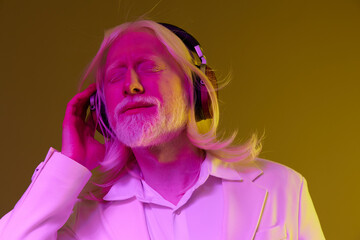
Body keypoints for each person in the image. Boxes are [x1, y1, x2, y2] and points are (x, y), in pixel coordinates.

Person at [0, 20, 325, 239]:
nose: (132, 85)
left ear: (196, 89)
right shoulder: (77, 215)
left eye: (150, 67)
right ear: (101, 107)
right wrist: (70, 164)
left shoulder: (283, 188)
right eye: (116, 76)